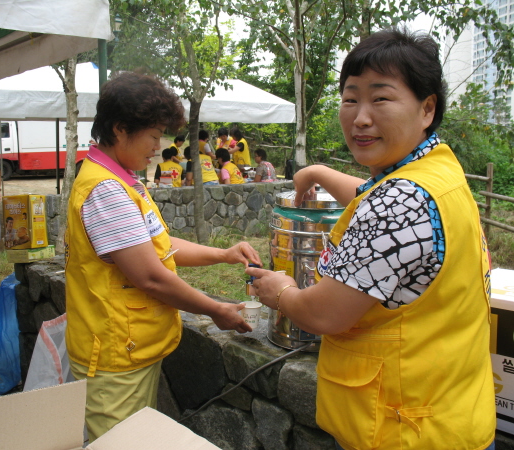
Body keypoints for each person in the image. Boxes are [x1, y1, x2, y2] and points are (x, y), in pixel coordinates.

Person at [246, 28, 495, 450]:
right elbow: (378, 201)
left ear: (426, 108)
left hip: (401, 431)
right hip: (451, 416)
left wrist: (282, 291)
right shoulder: (437, 173)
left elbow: (325, 315)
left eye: (380, 98)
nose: (361, 117)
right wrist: (320, 172)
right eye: (350, 98)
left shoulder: (398, 202)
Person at [64, 71, 261, 442]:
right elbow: (150, 276)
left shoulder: (121, 179)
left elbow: (160, 244)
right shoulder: (106, 189)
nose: (159, 147)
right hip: (115, 356)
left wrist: (223, 252)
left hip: (132, 347)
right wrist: (214, 309)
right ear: (120, 129)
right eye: (154, 136)